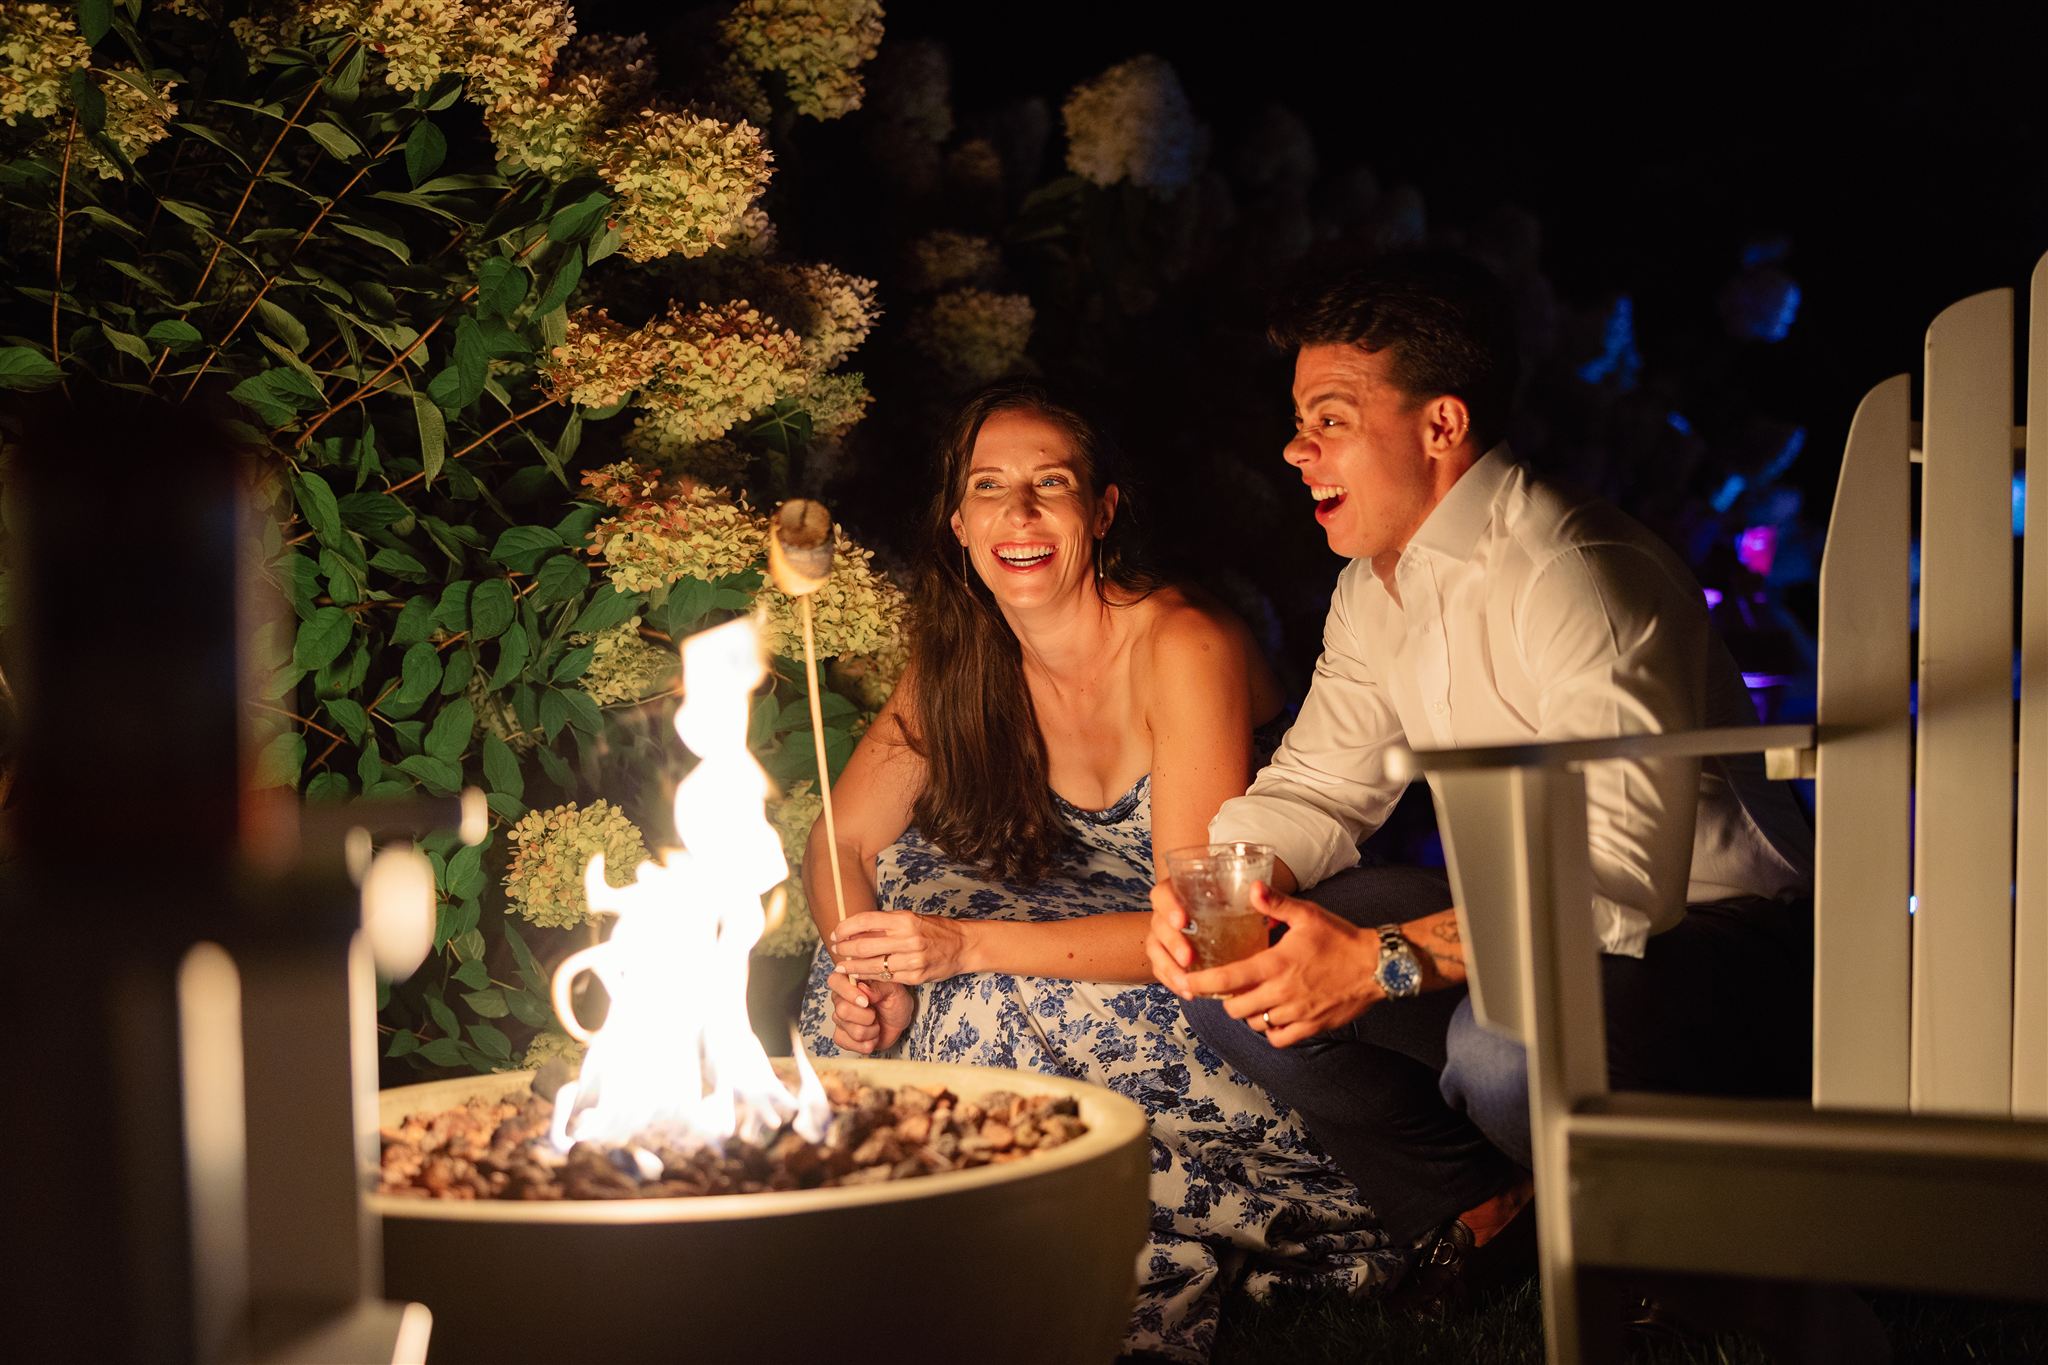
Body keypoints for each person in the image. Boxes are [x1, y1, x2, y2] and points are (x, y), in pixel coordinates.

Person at [1144, 251, 1817, 1302]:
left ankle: (1685, 1261)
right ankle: (1493, 1208)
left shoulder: (1573, 570)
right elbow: (1318, 783)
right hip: (1538, 924)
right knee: (1243, 970)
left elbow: (1619, 890)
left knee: (1496, 1047)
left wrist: (1383, 961)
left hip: (1719, 946)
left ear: (1440, 426)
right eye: (1296, 420)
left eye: (1327, 420)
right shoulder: (1376, 588)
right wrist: (1218, 890)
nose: (1293, 449)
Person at [796, 382, 1409, 1361]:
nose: (1021, 513)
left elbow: (1209, 936)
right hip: (1056, 952)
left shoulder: (1179, 643)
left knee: (978, 997)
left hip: (1221, 994)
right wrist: (865, 970)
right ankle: (944, 1254)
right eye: (989, 487)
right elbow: (840, 842)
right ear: (958, 523)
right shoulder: (961, 655)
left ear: (1103, 509)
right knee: (864, 975)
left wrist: (960, 951)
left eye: (1051, 483)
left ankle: (1072, 1268)